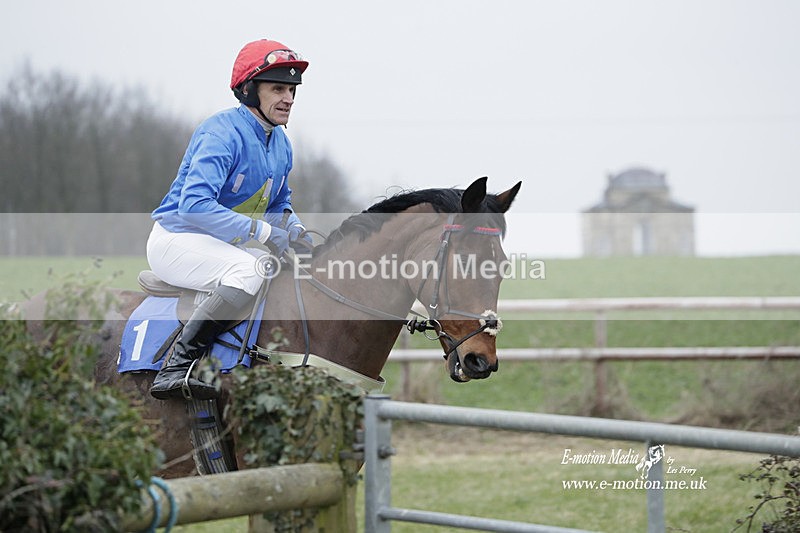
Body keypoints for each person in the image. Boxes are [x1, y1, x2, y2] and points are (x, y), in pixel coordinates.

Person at [146, 39, 311, 400]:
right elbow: (193, 205)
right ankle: (176, 365)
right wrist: (262, 231)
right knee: (251, 270)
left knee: (279, 273)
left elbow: (280, 202)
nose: (289, 99)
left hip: (216, 245)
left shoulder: (281, 143)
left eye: (293, 90)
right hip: (176, 239)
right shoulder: (220, 132)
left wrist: (296, 229)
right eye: (278, 88)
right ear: (250, 90)